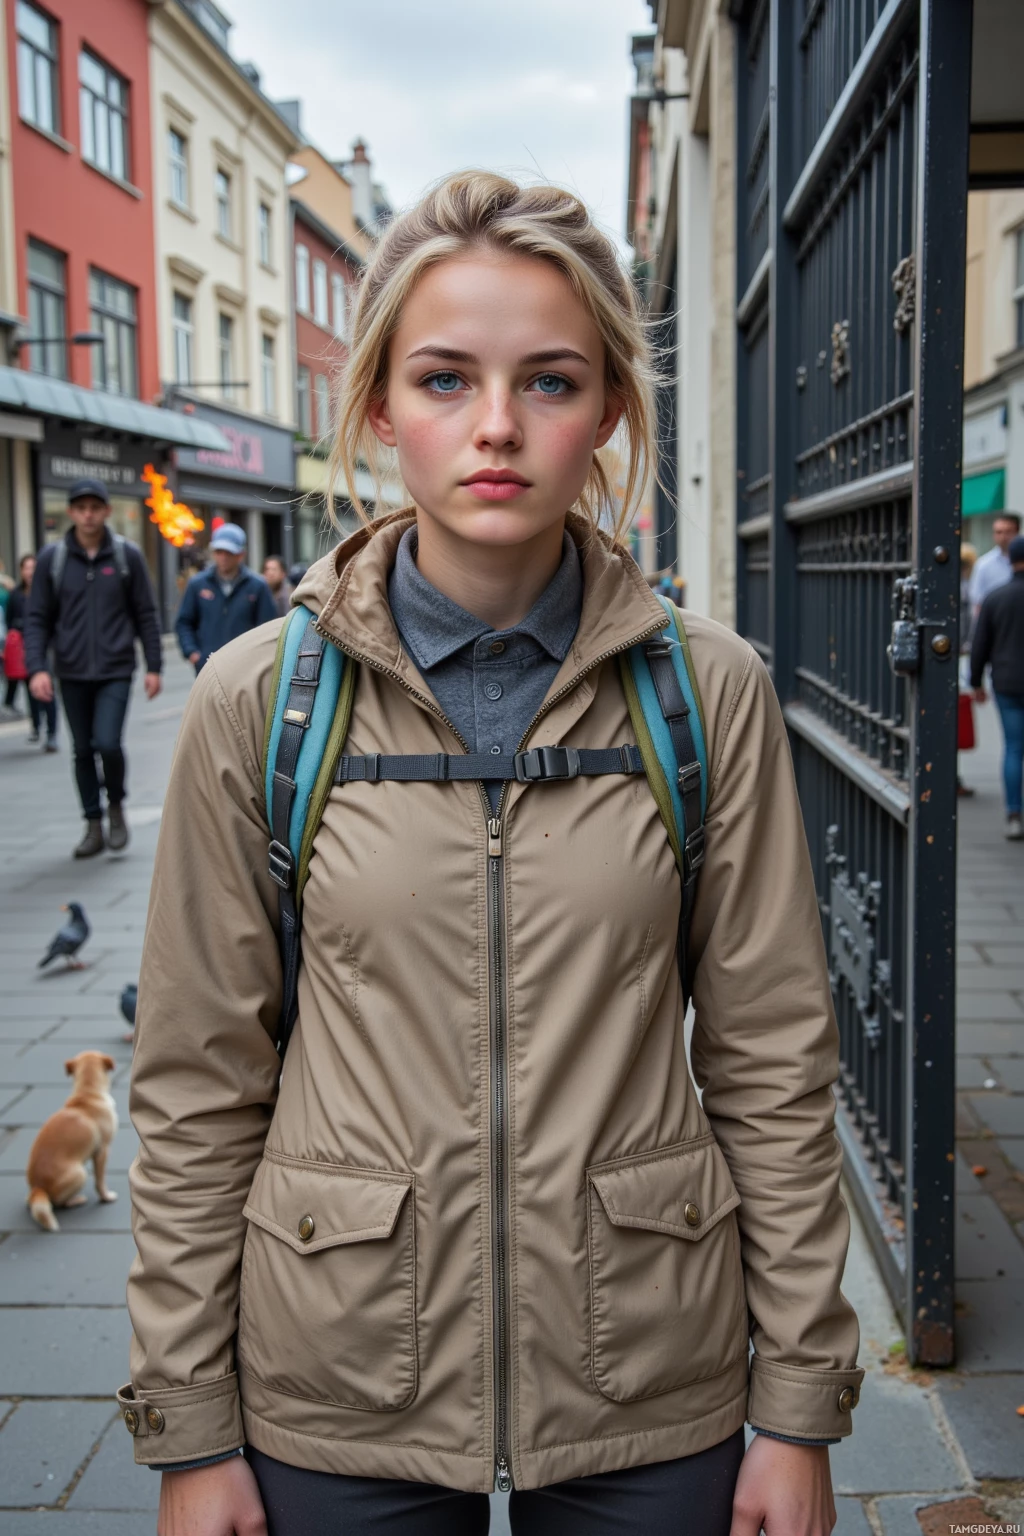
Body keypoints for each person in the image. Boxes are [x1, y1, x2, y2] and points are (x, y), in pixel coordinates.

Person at [123, 172, 863, 1536]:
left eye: (551, 381)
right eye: (447, 378)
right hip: (338, 1382)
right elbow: (194, 1091)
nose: (497, 428)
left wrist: (799, 1405)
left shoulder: (705, 692)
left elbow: (772, 1066)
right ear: (380, 407)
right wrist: (189, 1431)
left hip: (650, 1376)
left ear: (612, 413)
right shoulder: (259, 702)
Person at [25, 480, 162, 858]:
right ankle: (93, 824)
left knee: (108, 743)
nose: (88, 514)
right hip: (70, 671)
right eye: (81, 507)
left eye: (95, 507)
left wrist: (154, 665)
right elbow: (36, 619)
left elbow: (146, 614)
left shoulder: (125, 556)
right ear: (71, 512)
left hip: (116, 668)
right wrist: (36, 668)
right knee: (82, 751)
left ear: (106, 511)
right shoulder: (53, 560)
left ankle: (115, 805)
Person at [970, 532, 1024, 840]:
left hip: (1006, 680)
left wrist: (976, 681)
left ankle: (1014, 813)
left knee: (1014, 748)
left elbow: (980, 644)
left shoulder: (996, 598)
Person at [175, 523, 276, 673]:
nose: (223, 557)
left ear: (241, 554)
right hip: (208, 666)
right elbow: (184, 622)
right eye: (219, 552)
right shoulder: (198, 584)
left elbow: (268, 628)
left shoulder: (257, 586)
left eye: (229, 552)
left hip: (246, 668)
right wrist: (192, 652)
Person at [4, 554, 57, 748]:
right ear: (21, 571)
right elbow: (9, 622)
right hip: (24, 648)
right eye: (26, 568)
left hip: (46, 647)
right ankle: (37, 725)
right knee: (32, 689)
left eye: (33, 568)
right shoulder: (16, 594)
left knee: (48, 690)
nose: (30, 572)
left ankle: (52, 732)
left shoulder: (47, 592)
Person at [968, 512, 1021, 619]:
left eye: (1008, 532)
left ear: (1017, 532)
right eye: (998, 532)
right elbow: (977, 603)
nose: (1003, 537)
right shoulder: (984, 565)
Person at [262, 554, 292, 618]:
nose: (270, 573)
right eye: (267, 569)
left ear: (283, 573)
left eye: (274, 569)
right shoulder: (259, 593)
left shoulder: (291, 596)